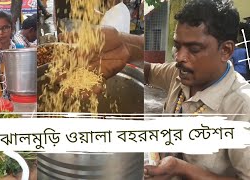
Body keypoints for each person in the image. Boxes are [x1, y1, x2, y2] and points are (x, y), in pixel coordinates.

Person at [87, 0, 250, 179]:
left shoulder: (242, 107)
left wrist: (182, 169)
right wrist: (123, 44)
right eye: (177, 46)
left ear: (225, 51)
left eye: (194, 49)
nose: (179, 57)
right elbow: (148, 71)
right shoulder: (179, 74)